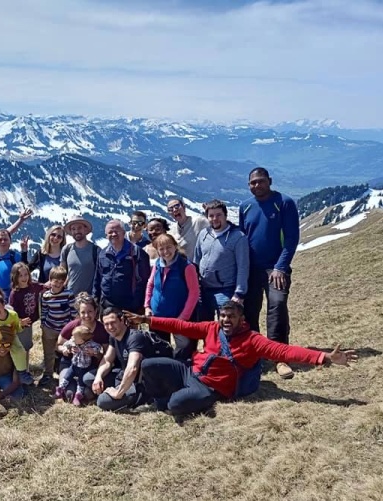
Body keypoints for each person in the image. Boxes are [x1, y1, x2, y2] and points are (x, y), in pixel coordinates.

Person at [124, 301, 356, 421]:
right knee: (148, 365)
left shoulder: (253, 340)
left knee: (176, 406)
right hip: (190, 372)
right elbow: (181, 326)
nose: (226, 320)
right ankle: (163, 399)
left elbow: (284, 351)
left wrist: (323, 357)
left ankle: (175, 400)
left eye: (231, 317)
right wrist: (146, 319)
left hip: (211, 387)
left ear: (241, 319)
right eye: (223, 316)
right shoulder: (212, 328)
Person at [238, 167, 300, 380]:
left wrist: (280, 267)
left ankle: (280, 357)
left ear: (269, 181)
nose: (257, 185)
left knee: (277, 306)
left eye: (260, 181)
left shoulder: (284, 203)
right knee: (249, 312)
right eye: (253, 183)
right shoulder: (245, 207)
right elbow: (241, 240)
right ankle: (256, 352)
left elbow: (292, 238)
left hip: (276, 269)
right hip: (251, 270)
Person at [90, 307, 159, 411]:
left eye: (113, 322)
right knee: (88, 378)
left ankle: (137, 399)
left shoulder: (134, 337)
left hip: (138, 383)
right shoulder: (113, 336)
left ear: (122, 320)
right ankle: (114, 390)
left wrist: (118, 393)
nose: (110, 327)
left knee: (102, 401)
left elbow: (133, 368)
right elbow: (107, 360)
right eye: (106, 324)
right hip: (123, 375)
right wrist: (98, 377)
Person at [144, 233, 199, 358]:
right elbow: (150, 284)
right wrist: (147, 306)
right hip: (157, 316)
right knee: (160, 349)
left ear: (175, 246)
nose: (165, 251)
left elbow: (194, 293)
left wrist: (183, 317)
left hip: (178, 317)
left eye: (168, 247)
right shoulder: (158, 264)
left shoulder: (186, 266)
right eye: (161, 249)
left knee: (184, 348)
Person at [194, 199, 250, 321]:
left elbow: (243, 267)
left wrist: (239, 293)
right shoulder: (203, 234)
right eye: (211, 216)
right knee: (205, 328)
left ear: (225, 215)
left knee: (227, 327)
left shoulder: (238, 237)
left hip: (225, 290)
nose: (215, 219)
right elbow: (197, 260)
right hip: (204, 289)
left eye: (219, 215)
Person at [56, 293, 109, 400]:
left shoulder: (102, 329)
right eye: (83, 312)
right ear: (79, 313)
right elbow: (58, 345)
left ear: (95, 311)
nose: (86, 315)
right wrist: (66, 350)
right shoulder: (73, 326)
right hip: (70, 364)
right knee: (69, 394)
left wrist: (96, 354)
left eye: (90, 311)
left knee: (87, 395)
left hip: (89, 366)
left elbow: (107, 354)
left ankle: (82, 388)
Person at [93, 219, 150, 313]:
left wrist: (140, 304)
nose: (114, 234)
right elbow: (98, 278)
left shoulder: (137, 252)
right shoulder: (103, 253)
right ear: (106, 236)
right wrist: (95, 299)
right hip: (107, 305)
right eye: (110, 232)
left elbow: (145, 280)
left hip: (130, 307)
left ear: (123, 233)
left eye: (117, 231)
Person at [39, 266, 78, 385]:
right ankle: (48, 374)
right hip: (50, 327)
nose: (58, 284)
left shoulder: (68, 294)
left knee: (66, 350)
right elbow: (44, 311)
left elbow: (73, 311)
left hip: (65, 329)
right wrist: (43, 324)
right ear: (50, 280)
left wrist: (72, 327)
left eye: (61, 282)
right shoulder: (46, 296)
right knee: (49, 352)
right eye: (56, 281)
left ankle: (68, 373)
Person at [8, 262, 45, 365]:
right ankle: (19, 371)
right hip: (19, 325)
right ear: (15, 277)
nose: (24, 278)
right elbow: (11, 313)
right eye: (20, 275)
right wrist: (19, 321)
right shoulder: (15, 293)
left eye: (26, 274)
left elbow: (45, 286)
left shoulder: (33, 286)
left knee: (27, 347)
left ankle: (26, 370)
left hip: (29, 324)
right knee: (19, 348)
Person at [55, 326, 102, 406]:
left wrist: (93, 351)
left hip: (84, 368)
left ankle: (78, 396)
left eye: (74, 336)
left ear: (81, 340)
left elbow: (98, 347)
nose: (72, 337)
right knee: (67, 377)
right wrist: (66, 349)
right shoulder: (73, 342)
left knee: (81, 383)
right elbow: (66, 344)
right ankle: (60, 389)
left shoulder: (90, 344)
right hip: (73, 365)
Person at [61, 215, 100, 295]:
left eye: (79, 228)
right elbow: (62, 273)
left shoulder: (96, 250)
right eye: (73, 229)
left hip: (88, 300)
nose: (76, 231)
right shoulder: (66, 250)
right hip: (69, 298)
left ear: (85, 229)